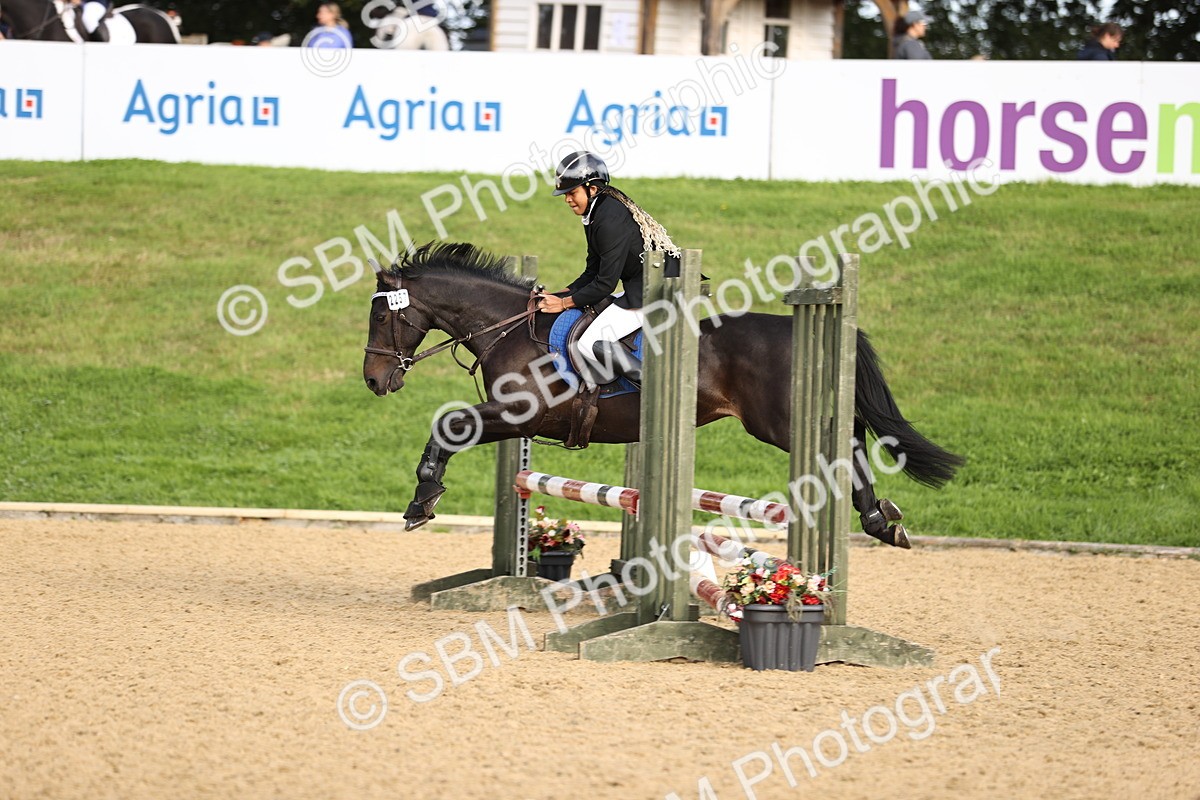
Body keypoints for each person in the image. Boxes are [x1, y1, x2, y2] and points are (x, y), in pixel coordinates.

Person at [537, 152, 680, 389]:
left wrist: (563, 304)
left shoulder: (608, 219)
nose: (567, 200)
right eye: (565, 195)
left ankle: (655, 389)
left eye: (572, 193)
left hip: (657, 289)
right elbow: (592, 271)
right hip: (646, 284)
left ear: (592, 188)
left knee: (590, 343)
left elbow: (605, 284)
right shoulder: (596, 213)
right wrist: (561, 294)